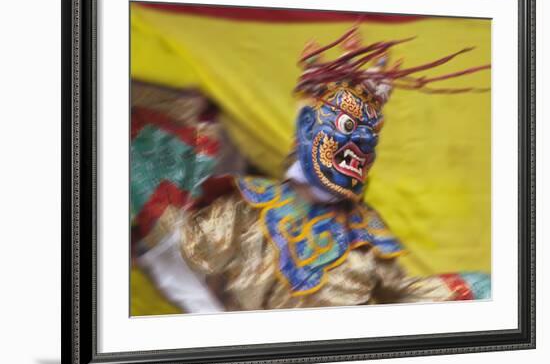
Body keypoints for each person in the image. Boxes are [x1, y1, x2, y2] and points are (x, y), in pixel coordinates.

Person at [134, 26, 491, 313]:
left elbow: (396, 297)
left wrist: (467, 289)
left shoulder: (368, 236)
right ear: (308, 129)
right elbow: (177, 253)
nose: (358, 149)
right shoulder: (246, 208)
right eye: (348, 130)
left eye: (369, 138)